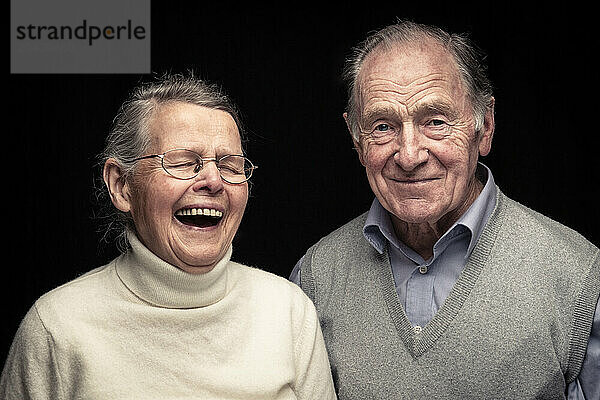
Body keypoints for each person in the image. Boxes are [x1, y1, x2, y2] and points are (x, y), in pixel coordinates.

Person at [290, 20, 599, 399]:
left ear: (484, 127)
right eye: (383, 126)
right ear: (356, 141)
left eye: (435, 122)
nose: (409, 155)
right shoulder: (315, 278)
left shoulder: (579, 277)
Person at [1, 73, 336, 399]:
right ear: (121, 186)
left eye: (230, 165)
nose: (213, 181)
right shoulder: (56, 328)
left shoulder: (288, 311)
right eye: (183, 162)